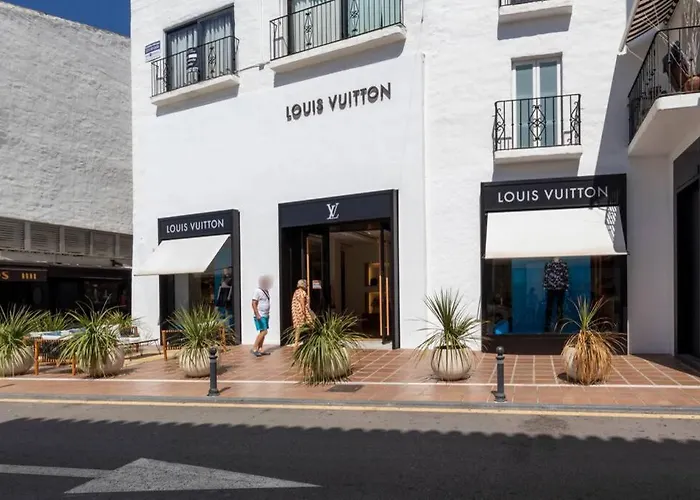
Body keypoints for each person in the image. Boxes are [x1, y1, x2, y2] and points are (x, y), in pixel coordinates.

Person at [251, 275, 273, 357]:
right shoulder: (257, 291)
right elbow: (253, 303)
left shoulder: (266, 291)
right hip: (260, 315)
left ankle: (260, 348)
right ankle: (254, 348)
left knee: (262, 332)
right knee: (264, 331)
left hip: (265, 315)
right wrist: (257, 314)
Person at [291, 279, 315, 351]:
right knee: (311, 324)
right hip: (302, 312)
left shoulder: (296, 292)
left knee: (298, 327)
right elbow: (302, 303)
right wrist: (304, 313)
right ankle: (311, 339)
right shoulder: (302, 292)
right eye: (306, 284)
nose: (307, 286)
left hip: (296, 312)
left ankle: (296, 342)